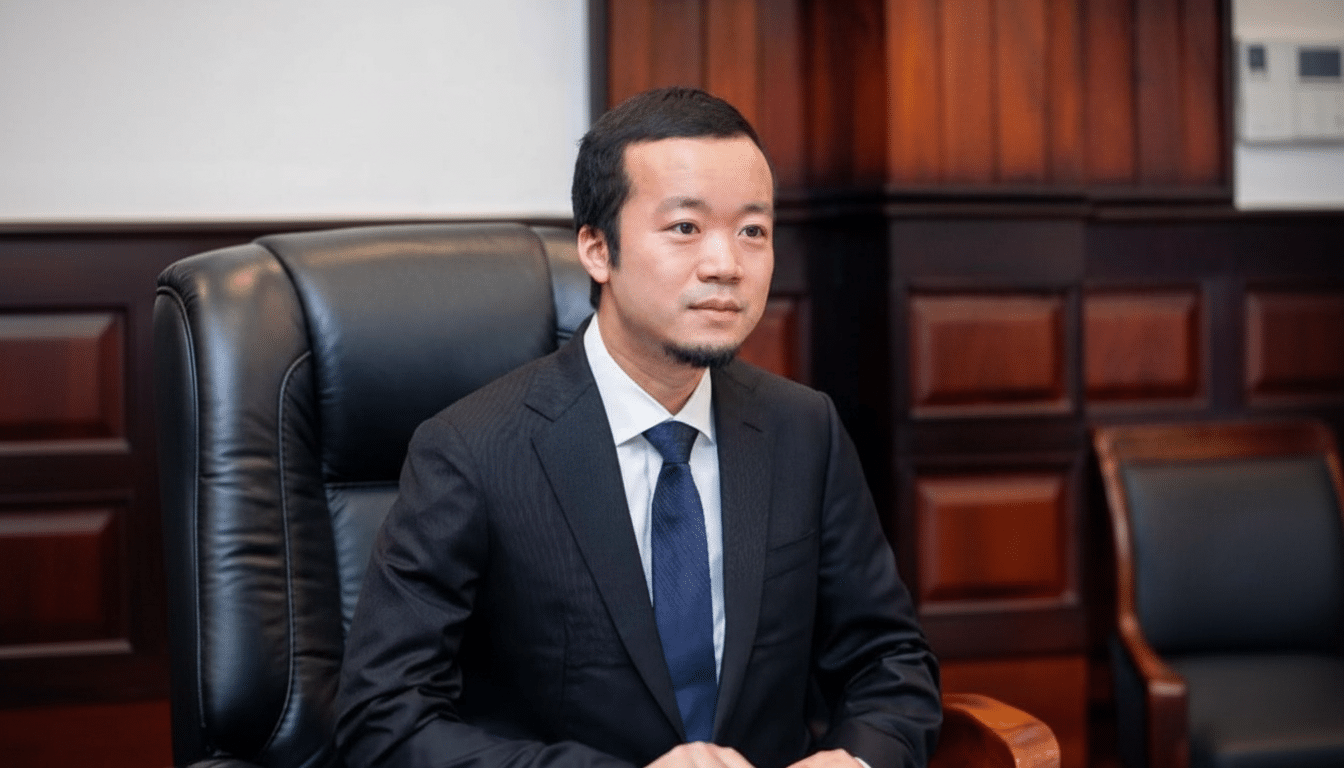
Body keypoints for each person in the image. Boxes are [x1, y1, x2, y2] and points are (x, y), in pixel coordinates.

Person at [336, 86, 941, 768]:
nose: (726, 264)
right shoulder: (473, 451)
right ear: (597, 249)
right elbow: (381, 720)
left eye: (753, 230)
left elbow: (889, 662)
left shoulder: (805, 429)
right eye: (685, 228)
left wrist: (859, 760)